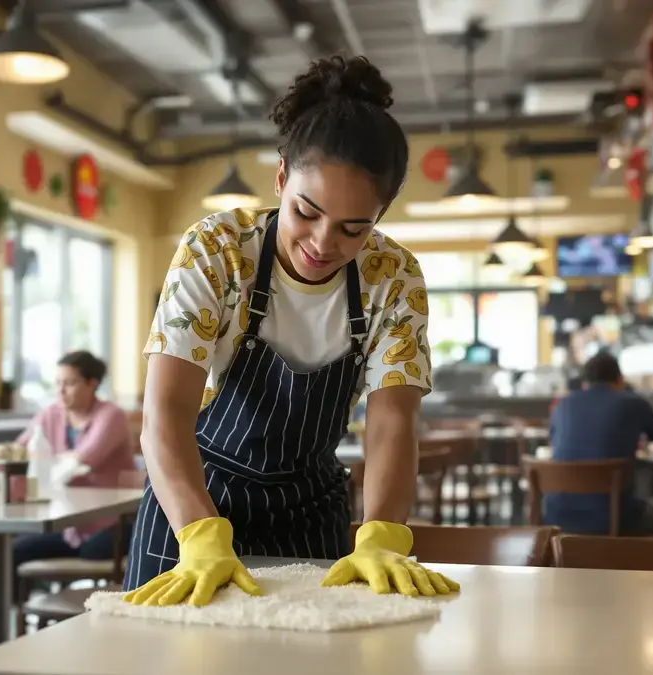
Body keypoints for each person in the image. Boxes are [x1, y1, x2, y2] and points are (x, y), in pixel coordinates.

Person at [124, 55, 457, 608]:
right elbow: (165, 413)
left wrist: (383, 533)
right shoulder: (219, 251)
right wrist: (200, 533)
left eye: (355, 228)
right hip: (193, 501)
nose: (324, 243)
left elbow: (392, 423)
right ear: (281, 177)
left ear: (382, 213)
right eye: (307, 212)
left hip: (309, 508)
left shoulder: (392, 276)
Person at [546, 352, 653, 538]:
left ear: (584, 383)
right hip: (614, 515)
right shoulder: (634, 403)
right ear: (620, 380)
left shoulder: (562, 405)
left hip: (557, 514)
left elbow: (555, 445)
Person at [13, 351, 137, 565]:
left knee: (92, 550)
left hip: (112, 524)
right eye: (58, 383)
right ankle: (13, 599)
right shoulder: (51, 413)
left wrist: (46, 459)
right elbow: (18, 450)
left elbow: (84, 459)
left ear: (92, 384)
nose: (60, 391)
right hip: (69, 525)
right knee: (14, 550)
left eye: (70, 383)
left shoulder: (111, 415)